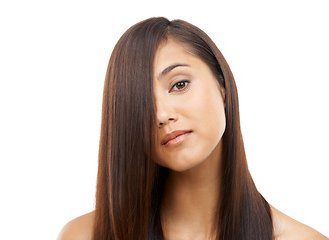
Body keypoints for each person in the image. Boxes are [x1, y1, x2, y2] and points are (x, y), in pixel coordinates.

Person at [57, 17, 328, 240]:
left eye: (179, 85)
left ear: (222, 87)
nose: (161, 115)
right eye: (140, 103)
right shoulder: (84, 236)